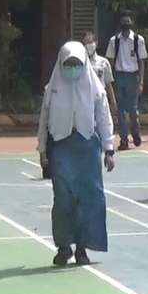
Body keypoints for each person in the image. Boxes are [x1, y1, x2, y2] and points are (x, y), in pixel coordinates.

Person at [37, 42, 115, 267]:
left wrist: (109, 149)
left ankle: (82, 248)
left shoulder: (95, 88)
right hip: (61, 147)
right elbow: (44, 121)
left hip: (87, 148)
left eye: (77, 64)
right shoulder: (52, 89)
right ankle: (63, 247)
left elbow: (103, 118)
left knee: (89, 199)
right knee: (63, 200)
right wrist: (43, 150)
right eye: (68, 64)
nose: (73, 69)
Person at [105, 11, 148, 151]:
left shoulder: (138, 40)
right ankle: (124, 138)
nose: (126, 25)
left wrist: (141, 81)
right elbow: (110, 61)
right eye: (123, 22)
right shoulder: (114, 41)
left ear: (131, 24)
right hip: (119, 76)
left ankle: (135, 132)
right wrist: (110, 80)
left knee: (133, 109)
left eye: (128, 22)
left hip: (133, 76)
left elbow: (141, 62)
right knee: (121, 110)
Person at [82, 31, 118, 114]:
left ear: (96, 43)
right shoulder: (80, 63)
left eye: (90, 42)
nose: (88, 45)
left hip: (100, 99)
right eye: (85, 43)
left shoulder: (104, 62)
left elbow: (108, 84)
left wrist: (113, 102)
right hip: (84, 100)